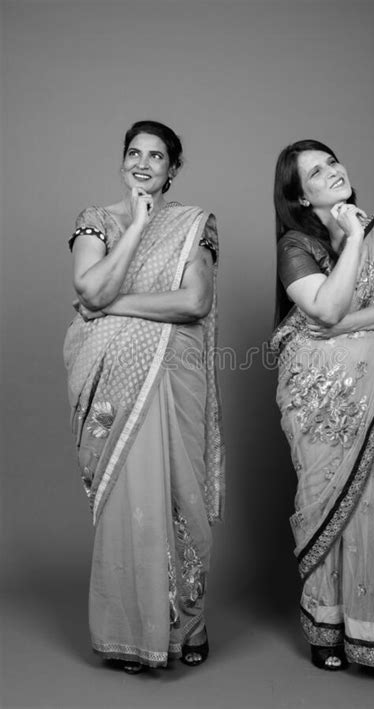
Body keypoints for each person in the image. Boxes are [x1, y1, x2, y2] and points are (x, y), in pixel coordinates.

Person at [64, 120, 224, 673]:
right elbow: (88, 287)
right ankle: (130, 633)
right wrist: (134, 227)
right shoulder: (96, 220)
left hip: (174, 376)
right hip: (111, 383)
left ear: (172, 169)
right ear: (122, 160)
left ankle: (190, 623)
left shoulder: (195, 226)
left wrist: (109, 305)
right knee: (125, 504)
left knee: (182, 498)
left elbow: (194, 301)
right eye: (134, 152)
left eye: (157, 157)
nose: (143, 163)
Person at [270, 140, 374, 671]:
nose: (332, 172)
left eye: (333, 161)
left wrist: (346, 325)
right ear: (300, 194)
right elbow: (327, 301)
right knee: (324, 501)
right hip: (318, 401)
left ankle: (370, 630)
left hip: (373, 393)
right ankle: (325, 627)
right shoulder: (297, 243)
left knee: (370, 500)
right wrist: (353, 236)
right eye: (316, 171)